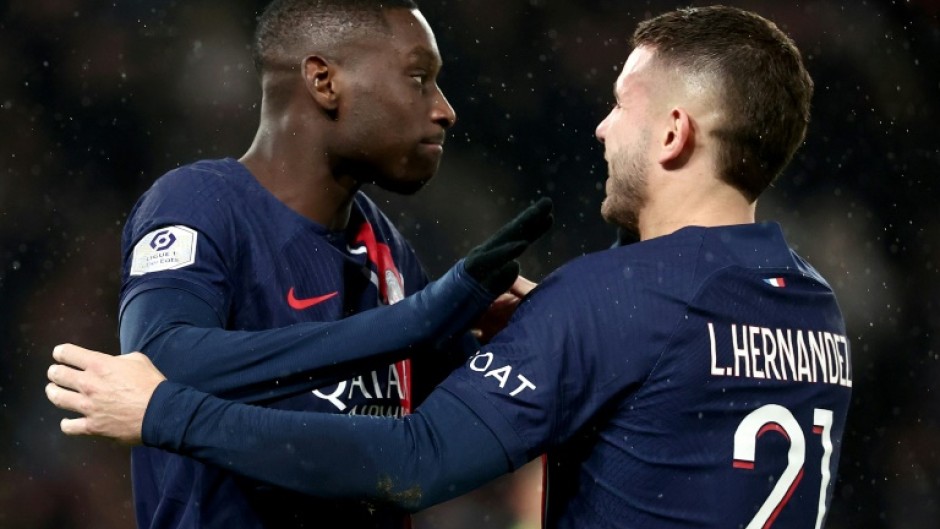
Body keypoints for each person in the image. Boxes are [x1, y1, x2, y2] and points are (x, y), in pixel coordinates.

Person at [46, 5, 853, 528]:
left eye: (620, 105)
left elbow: (415, 458)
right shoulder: (818, 310)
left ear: (674, 132)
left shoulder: (606, 300)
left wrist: (452, 318)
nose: (602, 129)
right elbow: (167, 355)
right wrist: (467, 332)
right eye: (421, 79)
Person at [57, 0, 554, 528]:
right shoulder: (198, 203)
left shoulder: (383, 246)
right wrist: (423, 318)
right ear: (324, 81)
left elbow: (441, 433)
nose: (444, 109)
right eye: (418, 78)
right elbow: (164, 360)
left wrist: (518, 339)